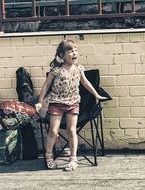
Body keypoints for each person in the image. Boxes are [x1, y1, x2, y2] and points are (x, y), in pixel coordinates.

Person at [35, 38, 107, 171]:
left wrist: (96, 95)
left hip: (73, 103)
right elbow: (46, 86)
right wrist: (40, 102)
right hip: (56, 103)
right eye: (70, 51)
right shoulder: (56, 70)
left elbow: (85, 83)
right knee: (53, 131)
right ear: (62, 55)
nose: (74, 53)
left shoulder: (79, 69)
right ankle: (49, 156)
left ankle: (73, 159)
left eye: (76, 50)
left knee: (71, 130)